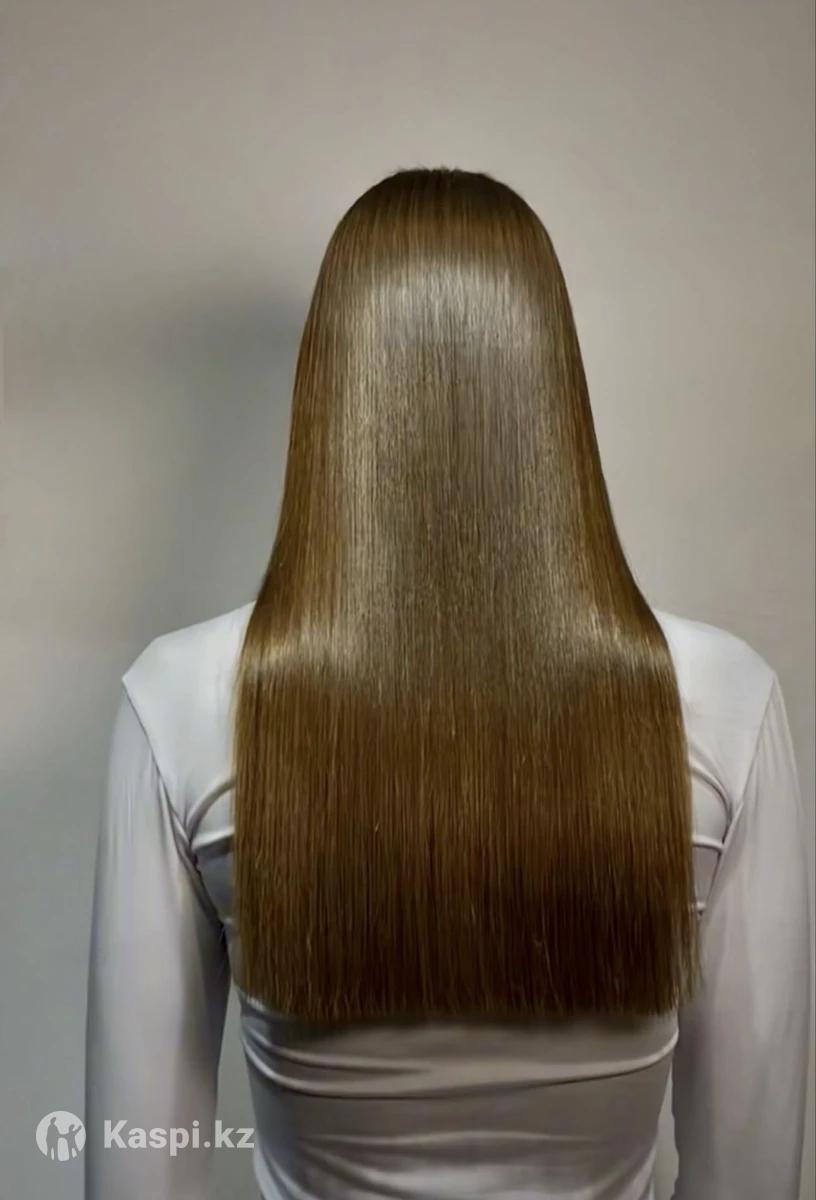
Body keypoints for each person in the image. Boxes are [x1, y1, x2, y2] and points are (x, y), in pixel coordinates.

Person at [84, 167, 811, 1199]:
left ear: (331, 388)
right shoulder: (721, 702)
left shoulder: (184, 699)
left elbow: (134, 1167)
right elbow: (752, 1167)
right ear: (551, 387)